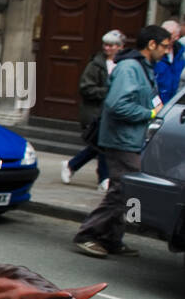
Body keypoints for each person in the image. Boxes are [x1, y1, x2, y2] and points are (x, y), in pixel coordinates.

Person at [73, 25, 171, 259]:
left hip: (131, 138)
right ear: (151, 45)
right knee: (122, 191)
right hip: (121, 139)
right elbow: (117, 105)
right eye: (165, 46)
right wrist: (149, 114)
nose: (167, 52)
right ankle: (88, 234)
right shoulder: (130, 68)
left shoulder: (143, 67)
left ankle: (111, 238)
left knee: (126, 190)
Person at [62, 30, 121, 187]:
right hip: (95, 112)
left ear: (119, 47)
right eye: (105, 45)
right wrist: (108, 92)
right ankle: (104, 179)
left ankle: (71, 165)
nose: (107, 48)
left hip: (111, 112)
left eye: (111, 45)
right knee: (102, 145)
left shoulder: (121, 64)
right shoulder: (95, 65)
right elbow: (86, 88)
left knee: (100, 145)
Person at [154, 19, 182, 103]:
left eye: (169, 34)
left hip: (174, 102)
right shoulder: (154, 52)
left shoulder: (182, 54)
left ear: (177, 36)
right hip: (157, 102)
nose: (163, 36)